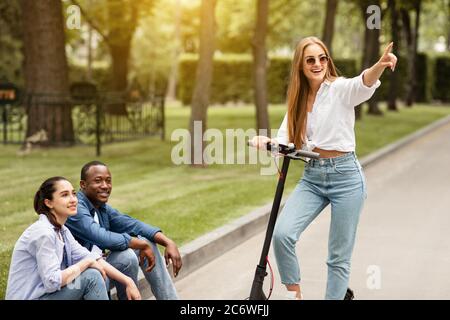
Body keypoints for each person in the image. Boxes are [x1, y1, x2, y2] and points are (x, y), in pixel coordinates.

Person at [250, 36, 397, 300]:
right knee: (282, 233)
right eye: (310, 60)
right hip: (313, 177)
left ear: (327, 60)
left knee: (337, 258)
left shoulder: (339, 88)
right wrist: (268, 143)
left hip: (346, 178)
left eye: (322, 58)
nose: (317, 64)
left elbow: (362, 83)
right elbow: (285, 141)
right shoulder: (298, 100)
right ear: (301, 66)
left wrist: (380, 65)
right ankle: (294, 294)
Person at [6, 177, 141, 300]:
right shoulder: (43, 233)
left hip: (50, 294)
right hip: (36, 297)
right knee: (91, 276)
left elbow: (90, 257)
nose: (73, 199)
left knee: (98, 270)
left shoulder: (62, 230)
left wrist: (127, 281)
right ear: (49, 203)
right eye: (65, 195)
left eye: (74, 193)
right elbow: (52, 282)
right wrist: (86, 263)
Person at [65, 161, 182, 300]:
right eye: (98, 181)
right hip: (80, 279)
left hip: (101, 269)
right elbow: (101, 237)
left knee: (146, 242)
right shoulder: (75, 208)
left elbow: (132, 224)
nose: (105, 186)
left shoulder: (101, 207)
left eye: (108, 181)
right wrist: (140, 244)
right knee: (129, 255)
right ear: (83, 184)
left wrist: (168, 242)